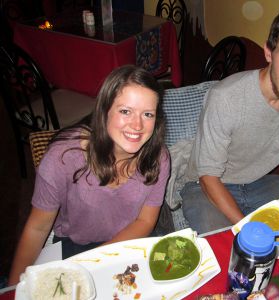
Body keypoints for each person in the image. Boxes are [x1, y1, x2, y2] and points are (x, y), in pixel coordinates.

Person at [8, 65, 170, 285]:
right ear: (103, 111)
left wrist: (98, 262)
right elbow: (37, 228)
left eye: (148, 114)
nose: (137, 125)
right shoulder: (63, 158)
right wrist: (15, 288)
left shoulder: (158, 157)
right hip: (75, 247)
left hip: (130, 240)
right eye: (125, 111)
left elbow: (145, 220)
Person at [181, 6, 279, 234]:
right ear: (269, 52)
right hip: (206, 186)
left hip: (262, 183)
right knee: (229, 248)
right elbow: (208, 176)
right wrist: (246, 227)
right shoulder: (226, 97)